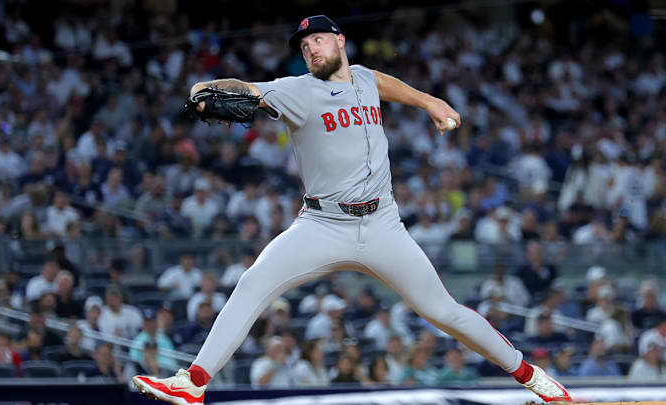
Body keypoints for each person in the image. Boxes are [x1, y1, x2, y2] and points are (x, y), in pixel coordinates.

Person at [133, 15, 571, 404]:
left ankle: (535, 379)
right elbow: (244, 91)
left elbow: (381, 82)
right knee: (253, 282)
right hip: (322, 224)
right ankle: (194, 382)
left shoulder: (362, 77)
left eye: (318, 41)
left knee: (444, 312)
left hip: (383, 225)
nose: (310, 49)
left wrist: (429, 102)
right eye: (304, 48)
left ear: (339, 41)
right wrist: (205, 91)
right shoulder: (296, 91)